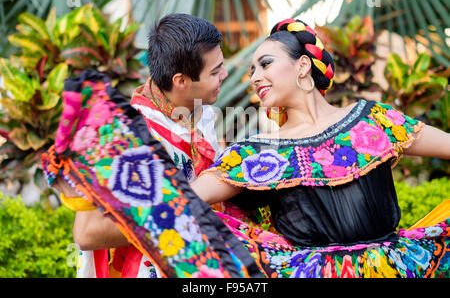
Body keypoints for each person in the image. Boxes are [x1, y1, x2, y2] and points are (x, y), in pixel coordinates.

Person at [47, 18, 450, 278]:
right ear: (182, 81)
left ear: (303, 66)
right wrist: (87, 201)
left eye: (265, 63)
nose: (248, 76)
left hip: (400, 267)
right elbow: (179, 205)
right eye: (237, 68)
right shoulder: (257, 154)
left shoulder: (374, 120)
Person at [51, 13, 228, 278]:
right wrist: (181, 209)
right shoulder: (124, 137)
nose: (225, 74)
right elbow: (87, 234)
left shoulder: (201, 113)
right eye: (215, 72)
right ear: (181, 81)